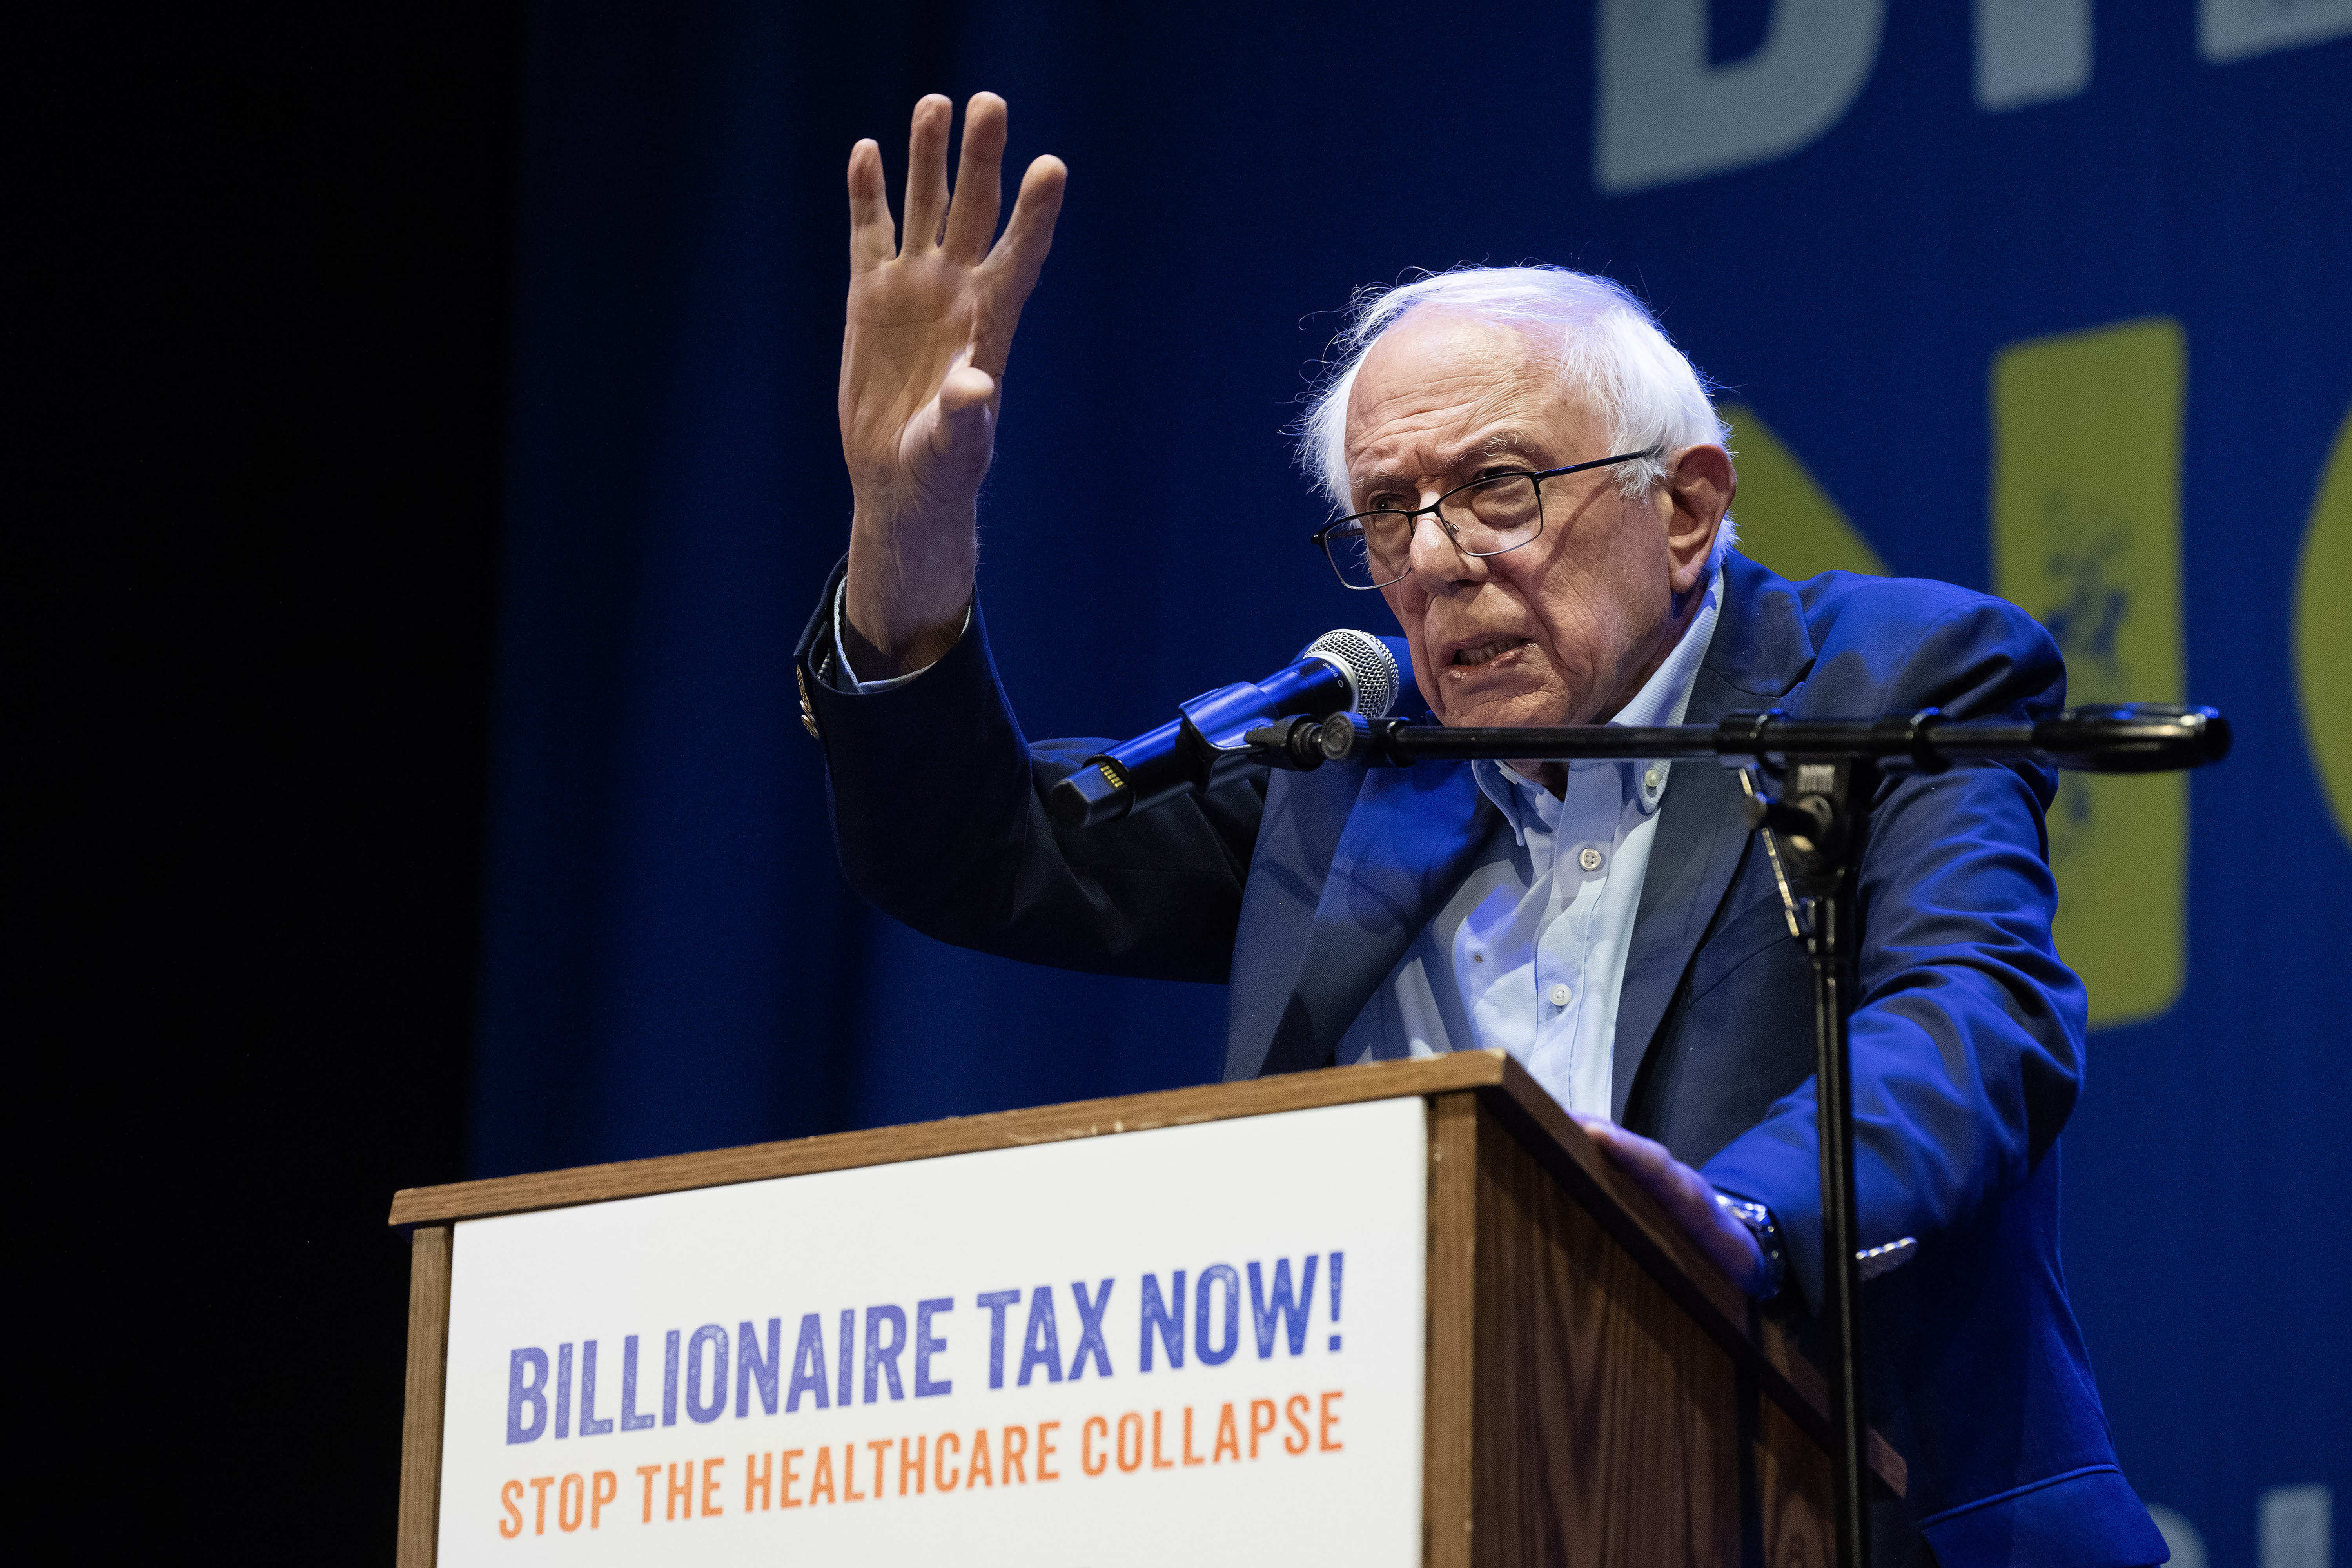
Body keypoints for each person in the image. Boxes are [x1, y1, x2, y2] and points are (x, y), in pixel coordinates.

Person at [794, 92, 2169, 1565]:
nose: (1439, 561)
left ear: (1687, 507)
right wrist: (906, 524)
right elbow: (973, 849)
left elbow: (1974, 1018)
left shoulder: (1890, 681)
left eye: (1499, 489)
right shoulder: (1341, 770)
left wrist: (1739, 1221)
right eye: (1388, 512)